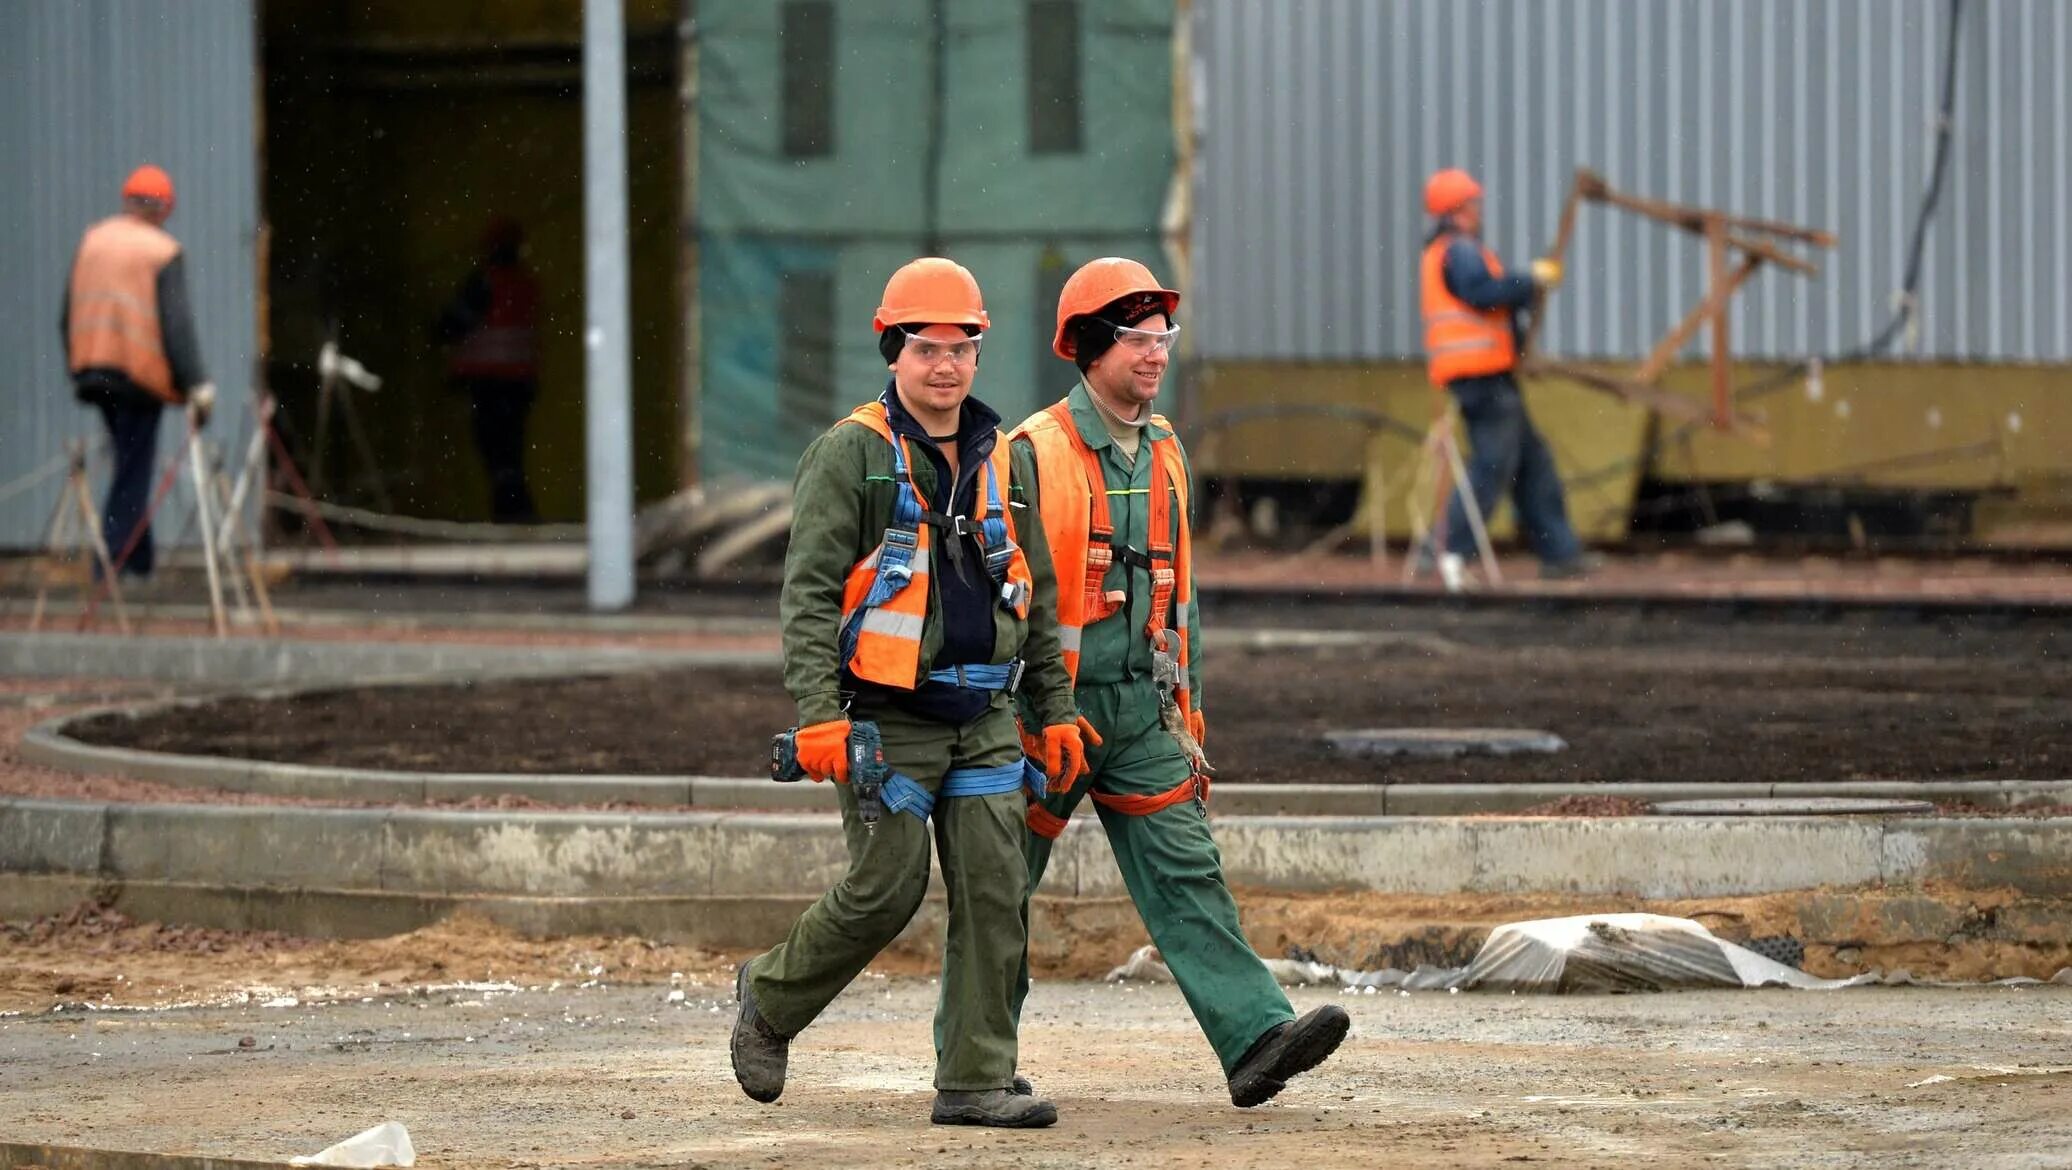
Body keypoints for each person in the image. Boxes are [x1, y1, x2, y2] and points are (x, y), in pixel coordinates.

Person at [732, 258, 1089, 1128]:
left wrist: (1053, 713)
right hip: (888, 723)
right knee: (888, 888)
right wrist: (819, 718)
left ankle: (973, 1080)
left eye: (962, 347)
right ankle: (769, 998)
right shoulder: (850, 456)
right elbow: (810, 597)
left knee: (995, 890)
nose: (946, 365)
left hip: (987, 716)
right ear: (893, 350)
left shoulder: (1007, 458)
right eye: (927, 348)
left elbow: (1034, 593)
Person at [1007, 257, 1350, 1108]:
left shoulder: (1165, 452)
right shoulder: (1033, 452)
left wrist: (1186, 711)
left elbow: (1179, 593)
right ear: (1089, 348)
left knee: (1187, 869)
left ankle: (1254, 1039)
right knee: (997, 887)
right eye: (1137, 338)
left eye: (1163, 336)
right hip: (1046, 710)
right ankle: (974, 1064)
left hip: (1139, 711)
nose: (1156, 353)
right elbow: (1008, 594)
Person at [1419, 167, 1596, 583]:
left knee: (1532, 462)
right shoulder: (1459, 252)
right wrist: (1528, 279)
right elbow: (1482, 294)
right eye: (1473, 204)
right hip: (1479, 378)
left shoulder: (1453, 250)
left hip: (1489, 375)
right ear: (1457, 210)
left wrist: (1523, 288)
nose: (1479, 210)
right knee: (1495, 464)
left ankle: (1561, 552)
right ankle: (1445, 548)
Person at [61, 164, 215, 580]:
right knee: (133, 467)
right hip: (137, 378)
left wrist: (77, 363)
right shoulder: (161, 251)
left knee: (130, 462)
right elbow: (176, 325)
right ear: (164, 207)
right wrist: (197, 384)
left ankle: (140, 561)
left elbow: (67, 312)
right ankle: (111, 563)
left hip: (92, 371)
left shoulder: (93, 240)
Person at [433, 216, 541, 523]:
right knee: (509, 455)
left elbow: (451, 326)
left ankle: (513, 516)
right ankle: (516, 516)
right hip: (519, 384)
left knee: (497, 455)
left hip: (490, 384)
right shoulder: (524, 283)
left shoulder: (485, 283)